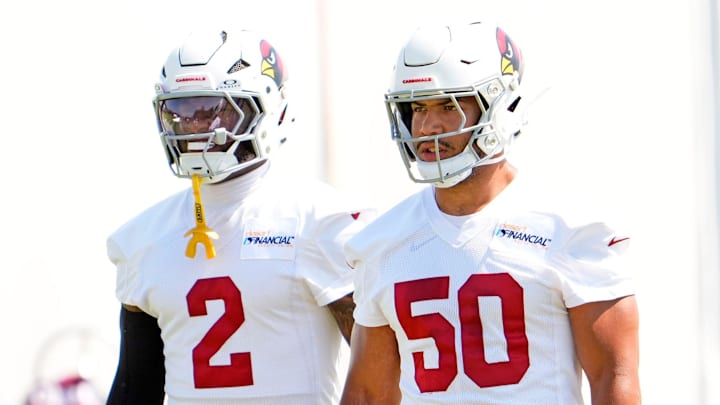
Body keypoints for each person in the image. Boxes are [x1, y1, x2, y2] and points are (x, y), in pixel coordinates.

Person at [340, 21, 641, 404]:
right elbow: (369, 394)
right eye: (418, 107)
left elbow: (614, 379)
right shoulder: (381, 242)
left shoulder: (570, 230)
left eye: (449, 105)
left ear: (501, 108)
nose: (428, 125)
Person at [105, 28, 375, 405]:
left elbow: (381, 375)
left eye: (212, 110)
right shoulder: (141, 238)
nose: (195, 127)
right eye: (180, 111)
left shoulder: (317, 219)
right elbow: (136, 389)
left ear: (264, 109)